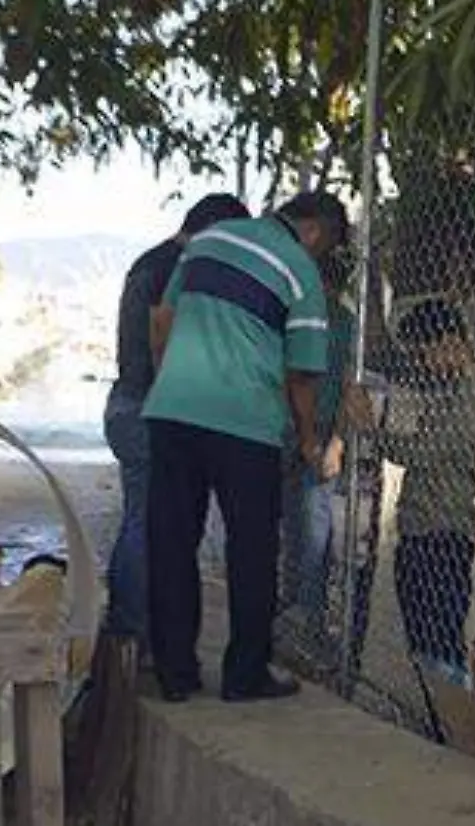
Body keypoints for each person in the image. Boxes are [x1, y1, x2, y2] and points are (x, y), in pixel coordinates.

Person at [144, 190, 349, 703]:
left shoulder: (207, 240)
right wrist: (307, 442)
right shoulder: (300, 268)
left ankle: (175, 673)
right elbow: (301, 375)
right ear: (318, 232)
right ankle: (244, 675)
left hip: (173, 412)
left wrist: (173, 380)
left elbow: (163, 321)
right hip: (245, 423)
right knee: (252, 551)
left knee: (172, 544)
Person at [102, 192, 250, 647]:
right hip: (151, 407)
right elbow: (163, 338)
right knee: (150, 524)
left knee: (140, 519)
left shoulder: (150, 261)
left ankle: (127, 629)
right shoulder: (177, 267)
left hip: (128, 401)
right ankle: (133, 631)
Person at [380, 299, 475, 686]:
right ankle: (438, 716)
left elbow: (432, 452)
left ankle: (453, 720)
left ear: (449, 340)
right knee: (423, 641)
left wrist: (375, 431)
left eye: (423, 352)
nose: (422, 364)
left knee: (441, 643)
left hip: (445, 527)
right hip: (422, 523)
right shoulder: (451, 390)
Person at [280, 254, 364, 640]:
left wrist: (333, 442)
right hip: (299, 431)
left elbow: (349, 386)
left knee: (310, 523)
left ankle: (306, 606)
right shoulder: (315, 319)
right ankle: (298, 602)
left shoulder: (340, 323)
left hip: (309, 430)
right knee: (302, 522)